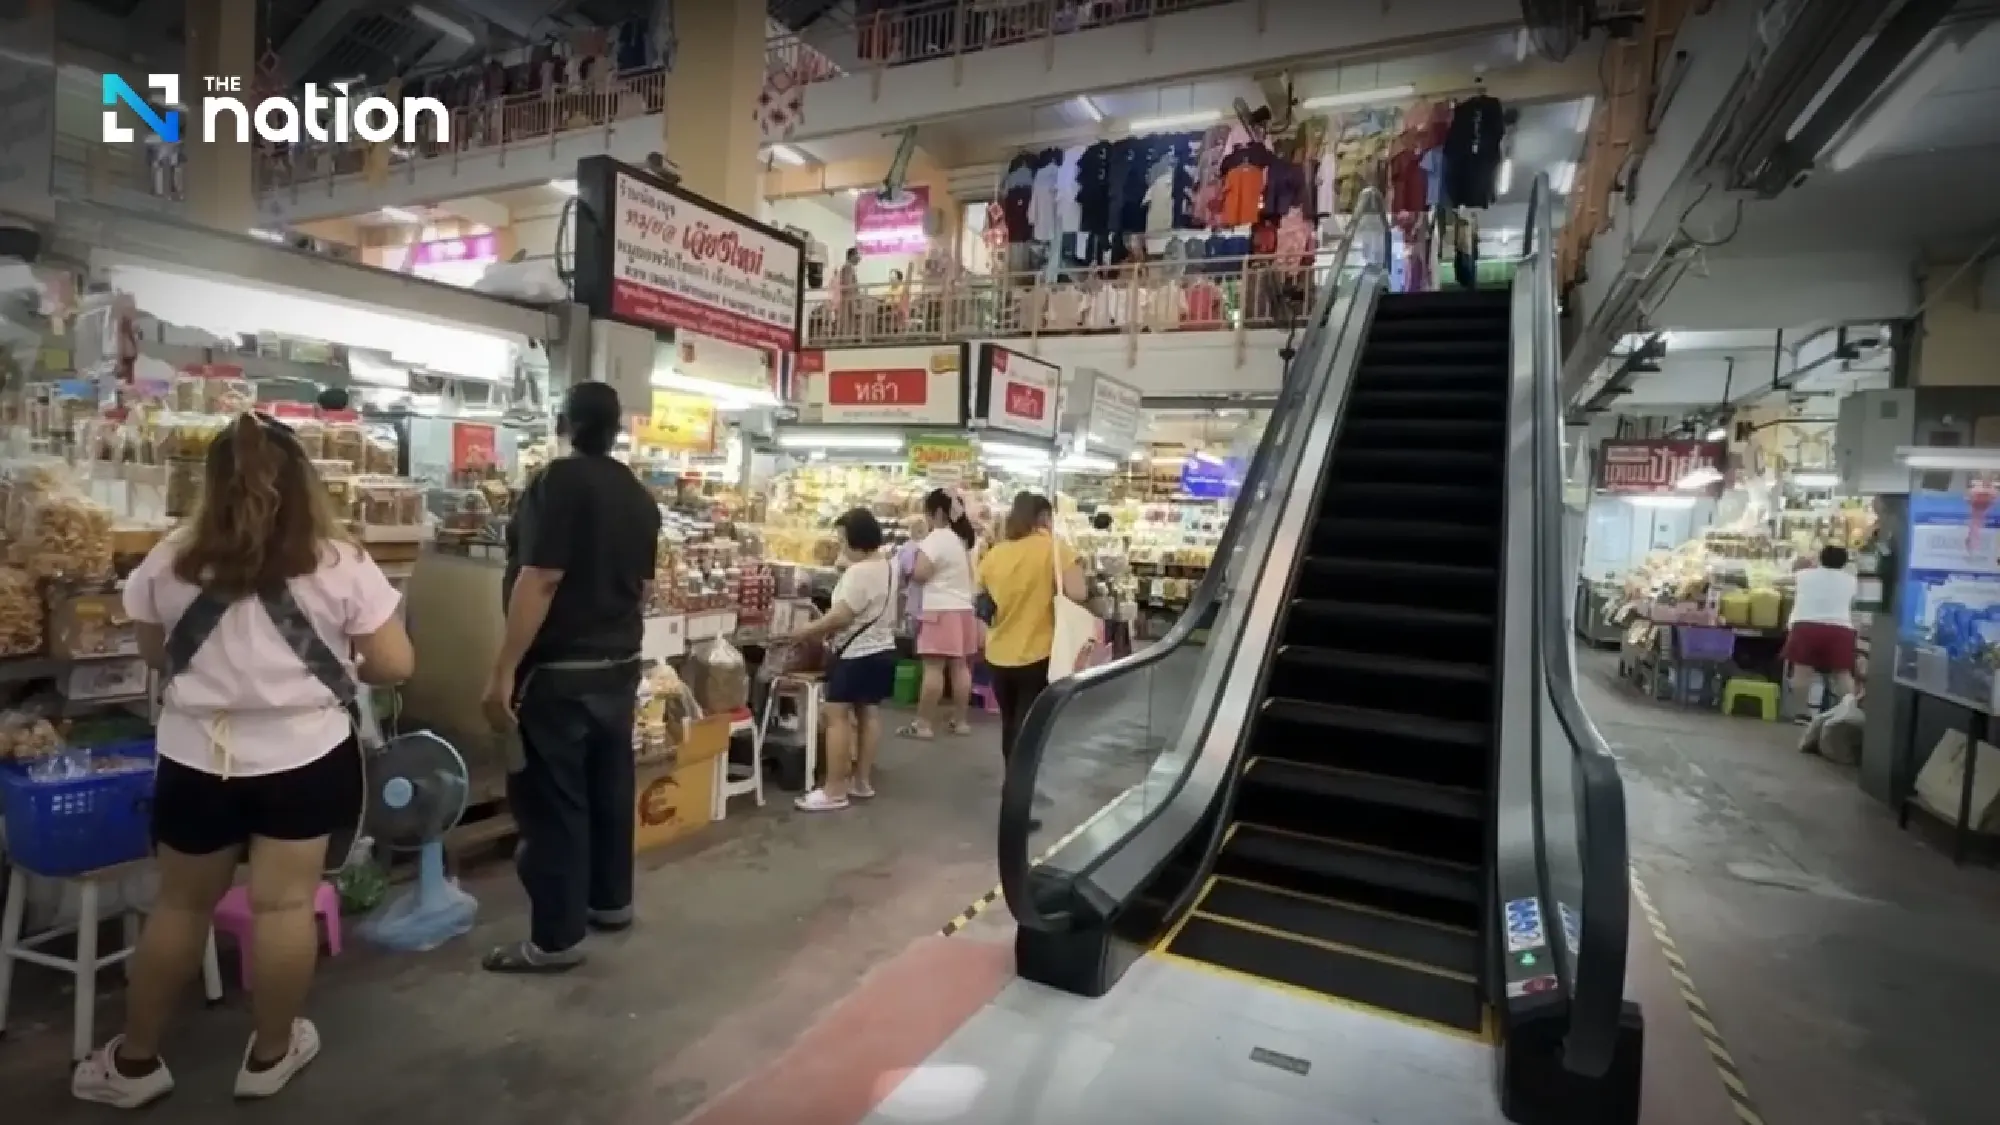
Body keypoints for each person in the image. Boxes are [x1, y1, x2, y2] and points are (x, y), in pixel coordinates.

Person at [74, 414, 414, 1108]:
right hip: (302, 752)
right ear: (305, 483)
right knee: (285, 905)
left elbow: (151, 651)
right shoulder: (338, 559)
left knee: (178, 905)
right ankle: (270, 1052)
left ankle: (134, 1065)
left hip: (197, 755)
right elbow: (393, 664)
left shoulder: (172, 556)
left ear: (210, 482)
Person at [481, 382, 660, 973]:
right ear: (617, 428)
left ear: (565, 423)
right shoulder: (639, 495)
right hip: (618, 665)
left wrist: (504, 669)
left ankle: (554, 940)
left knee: (554, 804)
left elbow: (541, 578)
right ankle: (611, 903)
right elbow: (643, 588)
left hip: (559, 673)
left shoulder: (556, 482)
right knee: (610, 789)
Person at [783, 508, 898, 811]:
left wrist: (806, 630)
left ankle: (834, 789)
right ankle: (861, 782)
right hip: (883, 650)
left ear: (855, 539)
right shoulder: (887, 566)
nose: (840, 545)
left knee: (836, 716)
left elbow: (841, 616)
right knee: (868, 714)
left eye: (843, 539)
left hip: (856, 654)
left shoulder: (859, 573)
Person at [976, 492, 1088, 773]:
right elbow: (1078, 592)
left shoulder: (995, 554)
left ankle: (1011, 783)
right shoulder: (1054, 549)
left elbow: (982, 600)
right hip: (1037, 654)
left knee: (1010, 723)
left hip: (998, 652)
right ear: (1044, 518)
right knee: (1029, 727)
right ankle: (1021, 794)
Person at [901, 488, 982, 739]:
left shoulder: (936, 538)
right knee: (960, 667)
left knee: (933, 668)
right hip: (963, 610)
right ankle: (960, 721)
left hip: (939, 609)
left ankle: (923, 724)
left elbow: (922, 573)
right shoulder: (962, 539)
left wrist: (908, 568)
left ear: (936, 512)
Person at [1783, 544, 1860, 719]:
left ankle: (1802, 713)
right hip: (1840, 629)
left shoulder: (1804, 576)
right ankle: (1848, 713)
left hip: (1806, 626)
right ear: (1845, 562)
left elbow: (1782, 582)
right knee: (1842, 673)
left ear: (1821, 558)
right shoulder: (1852, 580)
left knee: (1802, 671)